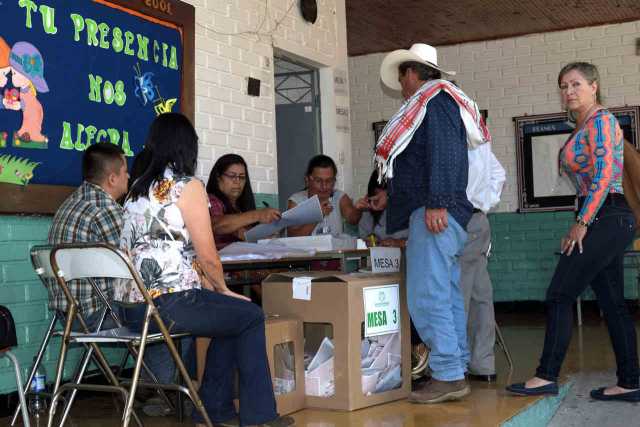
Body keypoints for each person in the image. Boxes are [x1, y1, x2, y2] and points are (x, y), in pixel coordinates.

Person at [114, 113, 293, 427]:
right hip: (169, 304)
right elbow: (208, 254)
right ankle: (260, 417)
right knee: (249, 315)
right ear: (188, 147)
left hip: (132, 310)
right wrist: (223, 288)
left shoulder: (137, 190)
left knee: (231, 318)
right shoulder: (187, 186)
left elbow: (168, 248)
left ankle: (215, 409)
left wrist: (215, 290)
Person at [507, 62, 640, 402]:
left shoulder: (603, 122)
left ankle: (546, 375)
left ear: (594, 86)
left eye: (576, 84)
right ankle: (630, 382)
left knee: (559, 294)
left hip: (607, 216)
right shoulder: (581, 127)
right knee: (612, 304)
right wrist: (583, 218)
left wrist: (582, 222)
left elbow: (606, 175)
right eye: (563, 86)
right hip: (603, 216)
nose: (569, 91)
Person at [376, 43, 491, 403]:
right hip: (441, 212)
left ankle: (446, 373)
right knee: (446, 294)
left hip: (436, 213)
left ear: (412, 73)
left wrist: (436, 202)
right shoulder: (439, 101)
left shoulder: (435, 101)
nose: (401, 85)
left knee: (428, 295)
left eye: (402, 77)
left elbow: (444, 153)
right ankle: (453, 369)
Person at [48, 143, 129, 329]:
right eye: (125, 171)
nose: (129, 176)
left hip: (66, 315)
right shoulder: (107, 211)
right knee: (169, 316)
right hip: (96, 316)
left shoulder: (69, 203)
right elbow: (132, 270)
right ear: (112, 179)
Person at [461, 141, 505, 382]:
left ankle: (455, 365)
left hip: (459, 220)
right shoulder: (478, 138)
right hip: (477, 220)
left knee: (459, 296)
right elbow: (499, 173)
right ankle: (482, 362)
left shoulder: (457, 140)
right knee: (480, 295)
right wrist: (484, 204)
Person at [206, 153, 281, 249]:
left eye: (241, 177)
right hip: (221, 262)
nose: (237, 181)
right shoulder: (211, 200)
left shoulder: (240, 207)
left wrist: (267, 234)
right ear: (218, 177)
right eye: (232, 176)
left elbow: (246, 237)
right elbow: (217, 225)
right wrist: (258, 215)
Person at [287, 154, 363, 236]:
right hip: (308, 249)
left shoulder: (339, 197)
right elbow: (292, 236)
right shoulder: (297, 201)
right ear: (307, 180)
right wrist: (318, 215)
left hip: (334, 248)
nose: (324, 186)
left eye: (329, 181)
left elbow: (353, 219)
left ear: (334, 181)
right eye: (318, 181)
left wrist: (358, 208)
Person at [356, 170, 408, 247]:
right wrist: (370, 240)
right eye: (377, 197)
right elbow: (363, 241)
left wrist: (399, 243)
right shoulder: (367, 210)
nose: (381, 203)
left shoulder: (410, 207)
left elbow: (422, 242)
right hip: (379, 257)